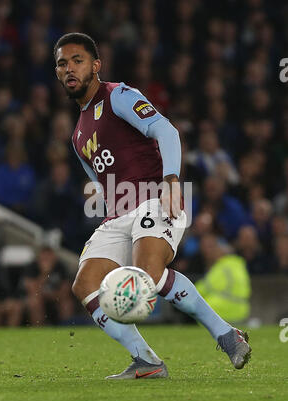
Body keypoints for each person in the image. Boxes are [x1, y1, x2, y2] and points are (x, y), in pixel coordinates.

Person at [54, 32, 251, 379]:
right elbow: (102, 184)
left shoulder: (118, 96)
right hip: (118, 213)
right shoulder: (77, 136)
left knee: (150, 271)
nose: (69, 69)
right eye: (61, 64)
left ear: (96, 65)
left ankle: (227, 334)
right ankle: (147, 361)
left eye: (77, 61)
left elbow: (167, 132)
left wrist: (171, 180)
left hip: (154, 199)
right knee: (84, 285)